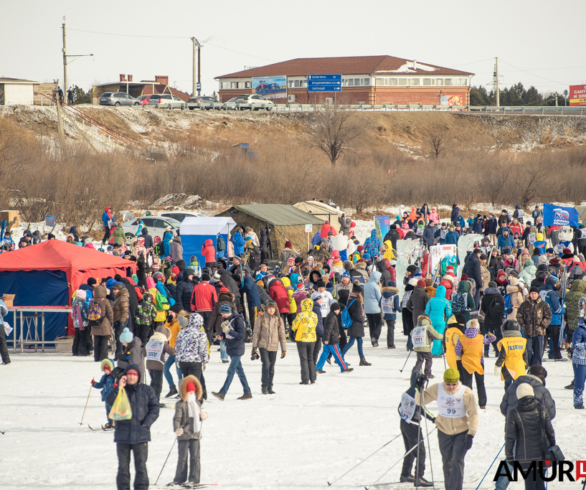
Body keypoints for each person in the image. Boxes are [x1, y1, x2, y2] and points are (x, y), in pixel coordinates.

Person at [416, 368, 478, 490]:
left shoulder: (466, 392)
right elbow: (420, 401)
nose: (450, 387)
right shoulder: (437, 389)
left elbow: (473, 414)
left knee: (457, 462)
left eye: (453, 384)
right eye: (448, 384)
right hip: (444, 431)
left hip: (461, 432)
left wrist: (471, 434)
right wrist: (419, 389)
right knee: (447, 463)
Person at [105, 364, 160, 490]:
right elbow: (108, 401)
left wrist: (146, 423)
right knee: (123, 467)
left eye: (134, 374)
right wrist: (119, 388)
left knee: (141, 466)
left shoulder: (147, 390)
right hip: (122, 436)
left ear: (139, 376)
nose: (131, 377)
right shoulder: (120, 390)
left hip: (141, 435)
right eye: (129, 374)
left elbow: (155, 408)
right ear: (125, 375)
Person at [505, 383, 555, 490]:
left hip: (524, 457)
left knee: (530, 484)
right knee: (540, 484)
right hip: (543, 454)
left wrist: (509, 456)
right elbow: (550, 431)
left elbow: (510, 437)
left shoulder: (514, 412)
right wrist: (552, 448)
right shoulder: (541, 409)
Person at [398, 371, 436, 487]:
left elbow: (399, 408)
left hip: (404, 423)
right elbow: (422, 410)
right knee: (420, 452)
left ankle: (405, 474)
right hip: (413, 426)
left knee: (410, 450)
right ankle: (418, 477)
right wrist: (434, 419)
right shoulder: (417, 394)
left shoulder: (407, 392)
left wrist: (405, 419)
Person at [171, 376, 207, 487]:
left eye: (193, 391)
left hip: (195, 434)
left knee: (195, 457)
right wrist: (177, 428)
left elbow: (199, 416)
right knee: (182, 458)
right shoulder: (180, 404)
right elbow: (177, 418)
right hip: (184, 434)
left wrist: (204, 415)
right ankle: (179, 478)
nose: (191, 393)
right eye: (189, 391)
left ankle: (194, 479)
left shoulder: (197, 403)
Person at [212, 304, 252, 400]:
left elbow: (241, 336)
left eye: (223, 313)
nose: (222, 315)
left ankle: (222, 393)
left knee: (231, 371)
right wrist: (222, 336)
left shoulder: (239, 320)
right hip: (231, 348)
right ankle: (247, 392)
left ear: (227, 312)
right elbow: (227, 334)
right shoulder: (228, 320)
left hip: (237, 348)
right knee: (239, 371)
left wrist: (228, 331)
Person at [455, 319, 495, 409]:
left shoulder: (462, 338)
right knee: (480, 383)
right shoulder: (480, 337)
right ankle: (482, 404)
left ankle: (468, 403)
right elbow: (489, 340)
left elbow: (457, 351)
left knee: (467, 384)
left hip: (466, 363)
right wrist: (493, 336)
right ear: (477, 327)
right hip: (478, 363)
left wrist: (463, 355)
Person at [251, 301, 286, 394]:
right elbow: (256, 333)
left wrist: (284, 349)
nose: (271, 310)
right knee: (266, 365)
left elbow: (282, 335)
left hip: (274, 346)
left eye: (273, 308)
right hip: (263, 345)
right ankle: (264, 386)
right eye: (270, 308)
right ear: (266, 309)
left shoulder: (279, 319)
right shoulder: (261, 318)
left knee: (271, 367)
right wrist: (254, 347)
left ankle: (270, 387)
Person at [175, 313, 209, 397]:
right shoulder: (201, 334)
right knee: (194, 382)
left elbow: (177, 347)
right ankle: (196, 401)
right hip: (195, 361)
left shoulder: (182, 332)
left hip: (183, 361)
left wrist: (178, 359)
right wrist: (205, 361)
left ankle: (188, 400)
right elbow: (202, 349)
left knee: (187, 382)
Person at [516, 287, 552, 366]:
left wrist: (543, 324)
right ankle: (528, 365)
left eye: (535, 293)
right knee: (528, 350)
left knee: (538, 352)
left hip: (539, 331)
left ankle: (537, 367)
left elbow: (548, 316)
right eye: (532, 293)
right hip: (527, 331)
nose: (534, 295)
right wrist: (523, 324)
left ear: (537, 294)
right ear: (530, 294)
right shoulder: (524, 304)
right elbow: (519, 315)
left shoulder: (543, 304)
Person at [316, 303, 352, 374]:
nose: (339, 311)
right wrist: (326, 338)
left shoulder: (330, 315)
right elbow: (328, 329)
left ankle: (318, 367)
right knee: (337, 353)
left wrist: (336, 334)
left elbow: (331, 329)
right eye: (338, 309)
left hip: (330, 337)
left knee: (325, 353)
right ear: (336, 310)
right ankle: (344, 367)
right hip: (331, 339)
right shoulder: (333, 317)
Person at [341, 282, 372, 366]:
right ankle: (340, 357)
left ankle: (362, 359)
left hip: (353, 324)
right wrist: (362, 319)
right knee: (351, 342)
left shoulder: (350, 300)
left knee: (359, 341)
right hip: (356, 324)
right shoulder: (357, 302)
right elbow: (357, 314)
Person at [145, 325, 175, 407]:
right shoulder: (163, 343)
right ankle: (156, 402)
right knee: (158, 384)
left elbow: (144, 353)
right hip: (158, 365)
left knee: (153, 382)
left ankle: (150, 400)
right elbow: (172, 352)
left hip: (149, 364)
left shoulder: (150, 342)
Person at [495, 320, 528, 388]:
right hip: (519, 367)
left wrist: (497, 365)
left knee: (508, 386)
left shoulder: (505, 341)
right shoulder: (522, 341)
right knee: (518, 386)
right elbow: (525, 355)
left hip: (508, 368)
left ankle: (508, 398)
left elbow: (502, 356)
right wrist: (526, 366)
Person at [291, 298, 318, 384]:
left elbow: (294, 325)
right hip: (312, 339)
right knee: (310, 358)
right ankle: (313, 378)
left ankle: (305, 379)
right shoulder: (315, 315)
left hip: (302, 339)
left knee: (303, 359)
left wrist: (293, 331)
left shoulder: (300, 315)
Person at [424, 284, 452, 357]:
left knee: (430, 336)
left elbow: (426, 311)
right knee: (438, 337)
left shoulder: (431, 299)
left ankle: (438, 351)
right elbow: (448, 313)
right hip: (440, 321)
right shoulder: (446, 301)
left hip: (431, 320)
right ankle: (435, 352)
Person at [190, 273, 218, 342]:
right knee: (209, 327)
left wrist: (193, 308)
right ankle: (208, 342)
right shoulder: (212, 287)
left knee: (200, 327)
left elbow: (193, 299)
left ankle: (201, 341)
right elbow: (215, 300)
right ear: (208, 280)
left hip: (199, 310)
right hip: (209, 310)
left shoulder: (196, 287)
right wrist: (216, 309)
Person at [479, 282, 504, 357]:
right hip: (497, 319)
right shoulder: (499, 296)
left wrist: (488, 312)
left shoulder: (485, 296)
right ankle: (497, 351)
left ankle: (486, 352)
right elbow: (502, 307)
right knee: (498, 335)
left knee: (488, 335)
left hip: (488, 319)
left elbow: (482, 308)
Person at [90, 285, 114, 362]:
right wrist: (111, 321)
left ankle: (96, 357)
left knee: (96, 341)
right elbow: (110, 312)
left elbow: (88, 312)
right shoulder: (105, 301)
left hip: (95, 324)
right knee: (104, 341)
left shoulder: (92, 301)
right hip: (104, 324)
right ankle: (103, 357)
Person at [91, 359, 116, 429]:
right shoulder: (104, 377)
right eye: (105, 370)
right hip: (106, 397)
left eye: (107, 370)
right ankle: (110, 422)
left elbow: (120, 386)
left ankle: (115, 422)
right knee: (108, 410)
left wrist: (116, 386)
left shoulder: (114, 377)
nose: (106, 371)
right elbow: (100, 385)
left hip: (113, 397)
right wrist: (94, 383)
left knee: (113, 410)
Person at [363, 270, 383, 347]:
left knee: (371, 324)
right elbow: (379, 298)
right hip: (375, 308)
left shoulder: (366, 285)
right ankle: (375, 337)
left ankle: (373, 341)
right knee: (379, 323)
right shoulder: (376, 286)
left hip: (367, 308)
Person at [572, 302, 586, 409]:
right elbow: (576, 345)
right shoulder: (579, 330)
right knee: (579, 382)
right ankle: (578, 401)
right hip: (580, 361)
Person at [112, 283, 130, 357]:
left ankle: (119, 355)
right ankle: (120, 354)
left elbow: (125, 310)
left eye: (115, 289)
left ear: (119, 290)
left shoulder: (122, 297)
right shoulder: (118, 297)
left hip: (121, 320)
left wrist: (122, 321)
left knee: (119, 338)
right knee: (119, 338)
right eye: (113, 289)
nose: (114, 291)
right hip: (118, 320)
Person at [381, 280, 400, 349]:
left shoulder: (383, 294)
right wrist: (401, 310)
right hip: (392, 314)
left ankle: (389, 343)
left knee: (389, 328)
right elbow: (396, 306)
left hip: (385, 313)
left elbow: (379, 304)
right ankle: (390, 344)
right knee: (391, 329)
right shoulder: (395, 295)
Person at [71, 289, 90, 357]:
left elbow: (72, 314)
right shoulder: (83, 303)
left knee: (76, 337)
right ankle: (82, 351)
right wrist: (87, 319)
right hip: (83, 323)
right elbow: (85, 314)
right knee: (83, 338)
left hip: (76, 324)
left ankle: (75, 351)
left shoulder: (74, 303)